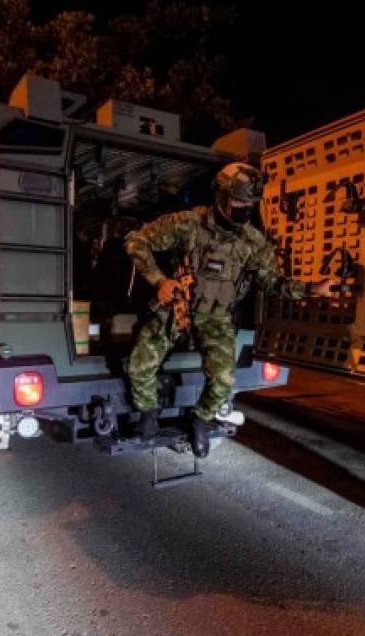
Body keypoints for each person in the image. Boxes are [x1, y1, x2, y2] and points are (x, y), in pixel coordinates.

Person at [125, 162, 333, 457]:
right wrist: (159, 280)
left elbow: (272, 282)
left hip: (216, 316)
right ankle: (148, 417)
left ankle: (200, 421)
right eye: (237, 201)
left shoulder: (253, 241)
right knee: (139, 365)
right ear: (220, 195)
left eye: (248, 203)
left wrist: (312, 289)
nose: (242, 208)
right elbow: (136, 241)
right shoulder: (188, 223)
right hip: (178, 307)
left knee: (224, 379)